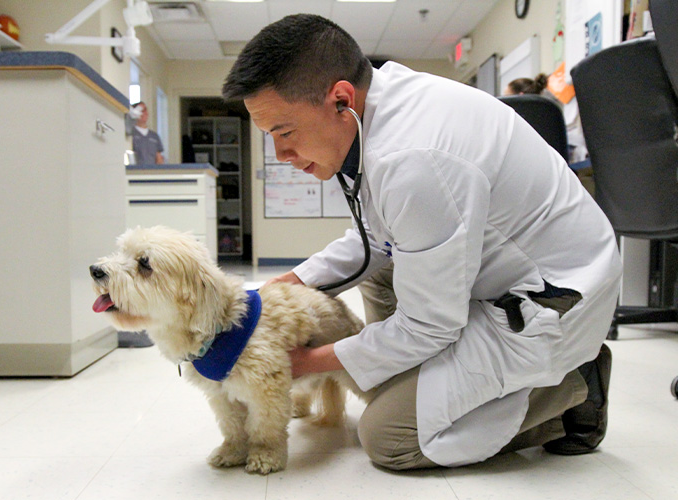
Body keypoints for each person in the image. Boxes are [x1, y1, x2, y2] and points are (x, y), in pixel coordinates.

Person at [222, 14, 622, 470]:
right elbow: (380, 236)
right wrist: (288, 284)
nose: (282, 155)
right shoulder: (381, 101)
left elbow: (431, 324)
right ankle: (420, 379)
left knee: (388, 436)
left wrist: (303, 362)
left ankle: (572, 390)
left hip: (553, 302)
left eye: (284, 133)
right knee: (378, 311)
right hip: (499, 275)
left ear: (340, 99)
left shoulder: (415, 158)